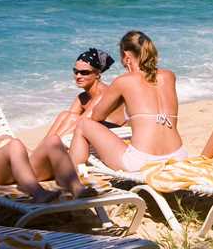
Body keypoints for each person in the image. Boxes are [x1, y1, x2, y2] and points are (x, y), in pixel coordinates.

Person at [68, 30, 187, 172]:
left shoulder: (123, 81)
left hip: (143, 161)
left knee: (83, 124)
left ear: (126, 56)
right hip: (178, 157)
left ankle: (74, 179)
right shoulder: (169, 76)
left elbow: (96, 116)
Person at [45, 48, 124, 140]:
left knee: (74, 119)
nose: (78, 76)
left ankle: (48, 148)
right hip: (99, 132)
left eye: (84, 72)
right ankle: (42, 149)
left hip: (118, 135)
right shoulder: (82, 97)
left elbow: (79, 123)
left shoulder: (103, 93)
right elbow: (69, 120)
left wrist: (56, 141)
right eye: (76, 71)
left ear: (97, 74)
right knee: (64, 115)